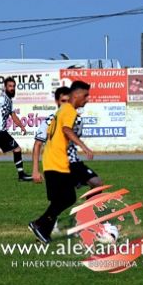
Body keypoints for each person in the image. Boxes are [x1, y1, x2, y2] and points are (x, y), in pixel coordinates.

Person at [29, 81, 93, 244]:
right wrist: (84, 146)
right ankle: (40, 224)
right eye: (85, 95)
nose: (87, 99)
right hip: (59, 162)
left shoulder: (63, 113)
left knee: (65, 198)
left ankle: (42, 230)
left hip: (56, 161)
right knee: (66, 198)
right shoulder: (67, 112)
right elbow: (65, 131)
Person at [32, 87, 103, 190]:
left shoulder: (77, 119)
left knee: (97, 183)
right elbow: (38, 144)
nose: (65, 104)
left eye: (67, 101)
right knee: (63, 197)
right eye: (63, 101)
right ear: (57, 102)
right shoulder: (50, 120)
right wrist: (35, 170)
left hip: (73, 161)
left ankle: (87, 206)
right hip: (57, 163)